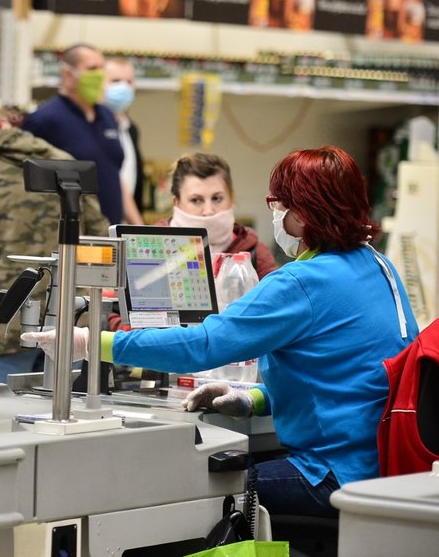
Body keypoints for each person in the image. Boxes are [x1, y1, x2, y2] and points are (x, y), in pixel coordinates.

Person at [24, 146, 418, 519]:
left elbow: (203, 345)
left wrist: (90, 342)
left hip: (331, 473)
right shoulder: (377, 264)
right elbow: (356, 375)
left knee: (182, 486)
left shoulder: (303, 281)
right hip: (383, 466)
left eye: (279, 205)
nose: (276, 214)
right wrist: (254, 399)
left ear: (305, 213)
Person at [0, 111, 108, 385]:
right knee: (67, 417)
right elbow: (99, 238)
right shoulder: (67, 165)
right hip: (71, 321)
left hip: (4, 321)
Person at [22, 43, 142, 226]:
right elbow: (25, 183)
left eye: (102, 68)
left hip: (108, 232)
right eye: (92, 69)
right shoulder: (45, 120)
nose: (99, 75)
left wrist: (138, 226)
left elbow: (114, 176)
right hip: (69, 235)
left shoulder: (107, 116)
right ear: (67, 74)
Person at [163, 153, 277, 281]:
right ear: (176, 203)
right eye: (196, 200)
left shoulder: (257, 255)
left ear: (231, 198)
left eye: (217, 198)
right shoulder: (149, 246)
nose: (208, 211)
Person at [105, 56, 145, 216]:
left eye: (129, 82)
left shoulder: (131, 129)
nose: (124, 87)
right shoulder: (90, 127)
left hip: (125, 225)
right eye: (115, 81)